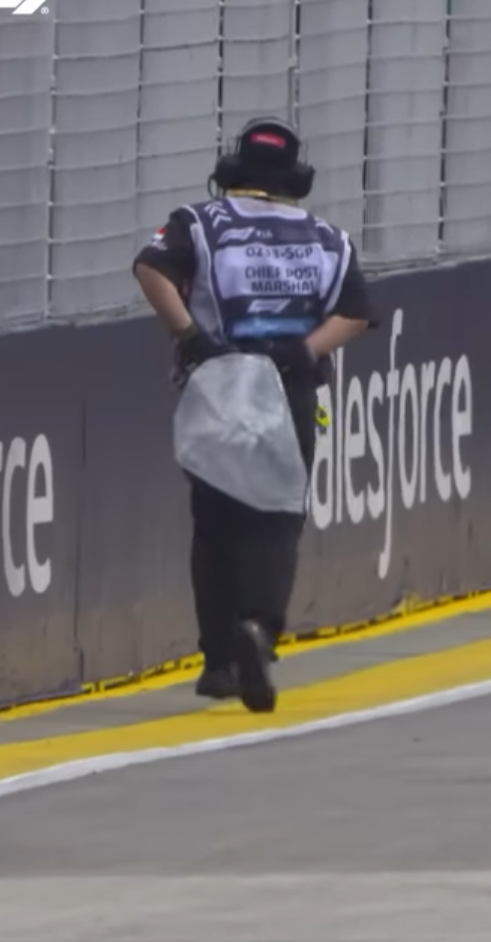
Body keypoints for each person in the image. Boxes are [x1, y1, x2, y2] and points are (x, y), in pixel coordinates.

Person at [131, 117, 374, 713]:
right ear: (296, 177)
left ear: (233, 169)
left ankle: (217, 662)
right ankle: (259, 628)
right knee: (276, 516)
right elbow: (357, 313)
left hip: (216, 382)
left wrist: (188, 334)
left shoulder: (199, 222)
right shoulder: (328, 239)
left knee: (214, 523)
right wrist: (304, 349)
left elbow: (151, 268)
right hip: (286, 386)